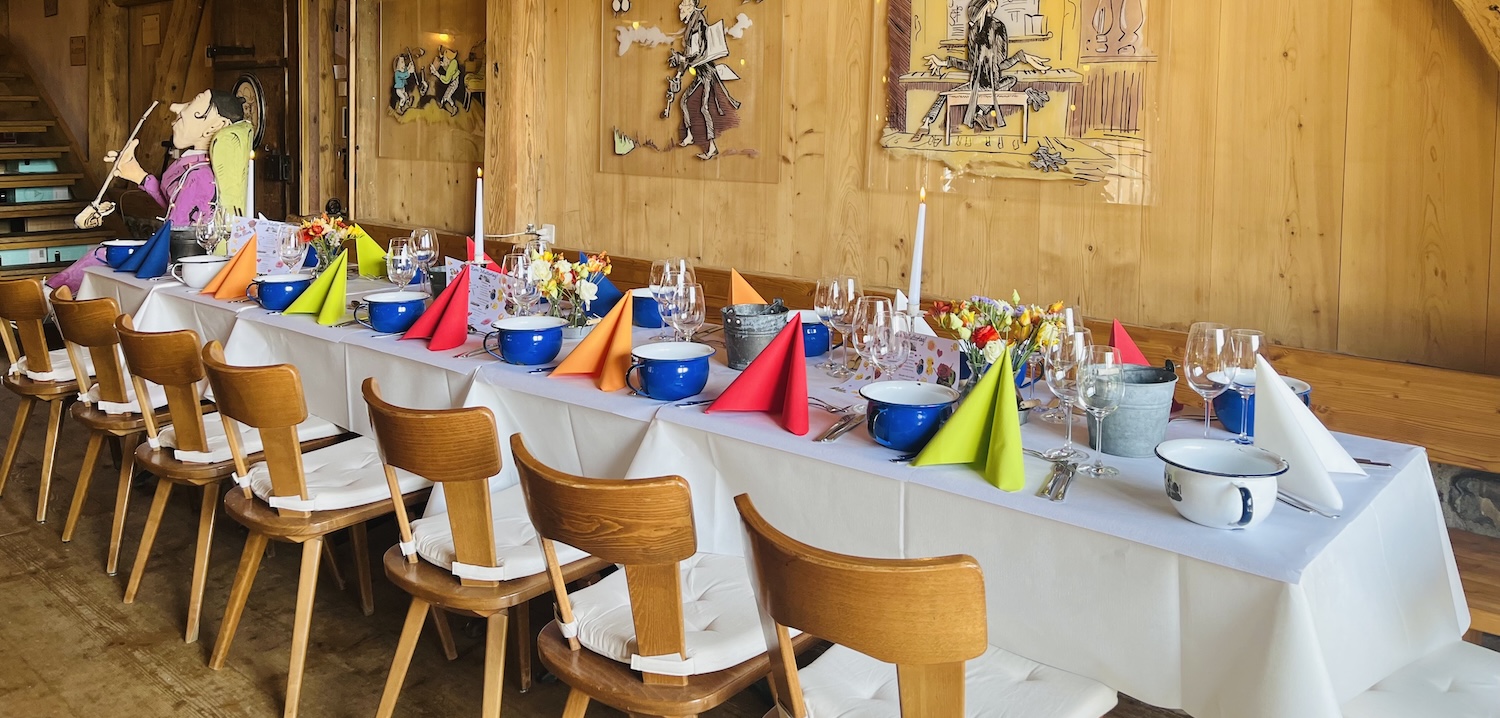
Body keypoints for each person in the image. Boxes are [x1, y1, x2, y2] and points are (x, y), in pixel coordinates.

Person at [96, 89, 246, 228]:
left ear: (214, 126)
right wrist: (138, 174)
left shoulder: (199, 176)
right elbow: (174, 204)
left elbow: (176, 231)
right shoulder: (192, 167)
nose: (175, 108)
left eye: (192, 103)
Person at [910, 0, 1050, 143]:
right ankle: (980, 111)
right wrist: (1021, 57)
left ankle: (925, 124)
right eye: (993, 3)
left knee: (944, 95)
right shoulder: (998, 26)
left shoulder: (973, 29)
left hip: (975, 86)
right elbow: (1001, 65)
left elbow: (971, 65)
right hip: (991, 86)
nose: (995, 6)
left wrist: (944, 62)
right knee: (1011, 80)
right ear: (988, 5)